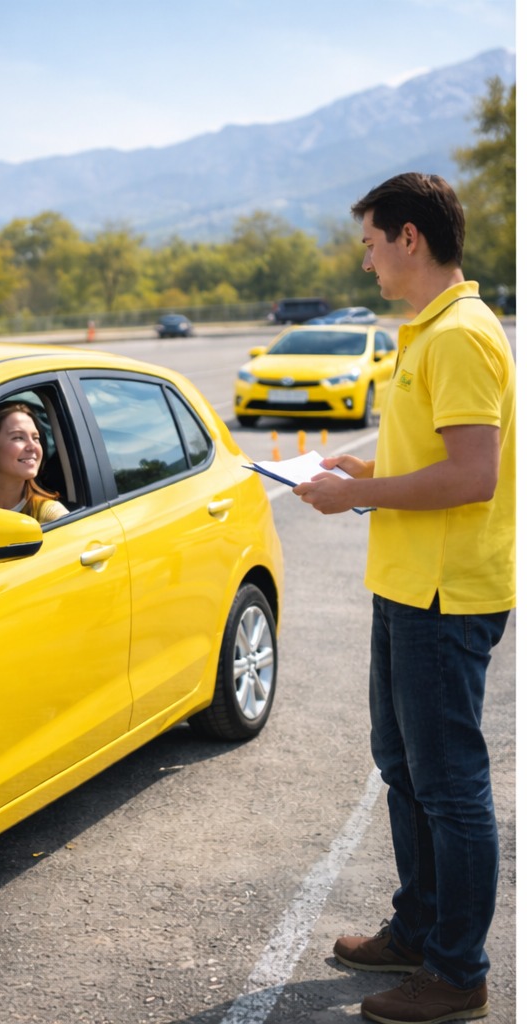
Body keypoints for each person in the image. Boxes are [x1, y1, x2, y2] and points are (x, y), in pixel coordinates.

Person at [293, 173, 515, 1024]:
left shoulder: (459, 335)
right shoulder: (429, 330)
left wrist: (360, 498)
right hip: (407, 587)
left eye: (371, 242)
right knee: (405, 769)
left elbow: (472, 475)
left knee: (451, 787)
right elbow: (438, 458)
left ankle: (458, 974)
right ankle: (419, 929)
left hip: (443, 595)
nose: (366, 261)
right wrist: (367, 473)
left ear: (410, 238)